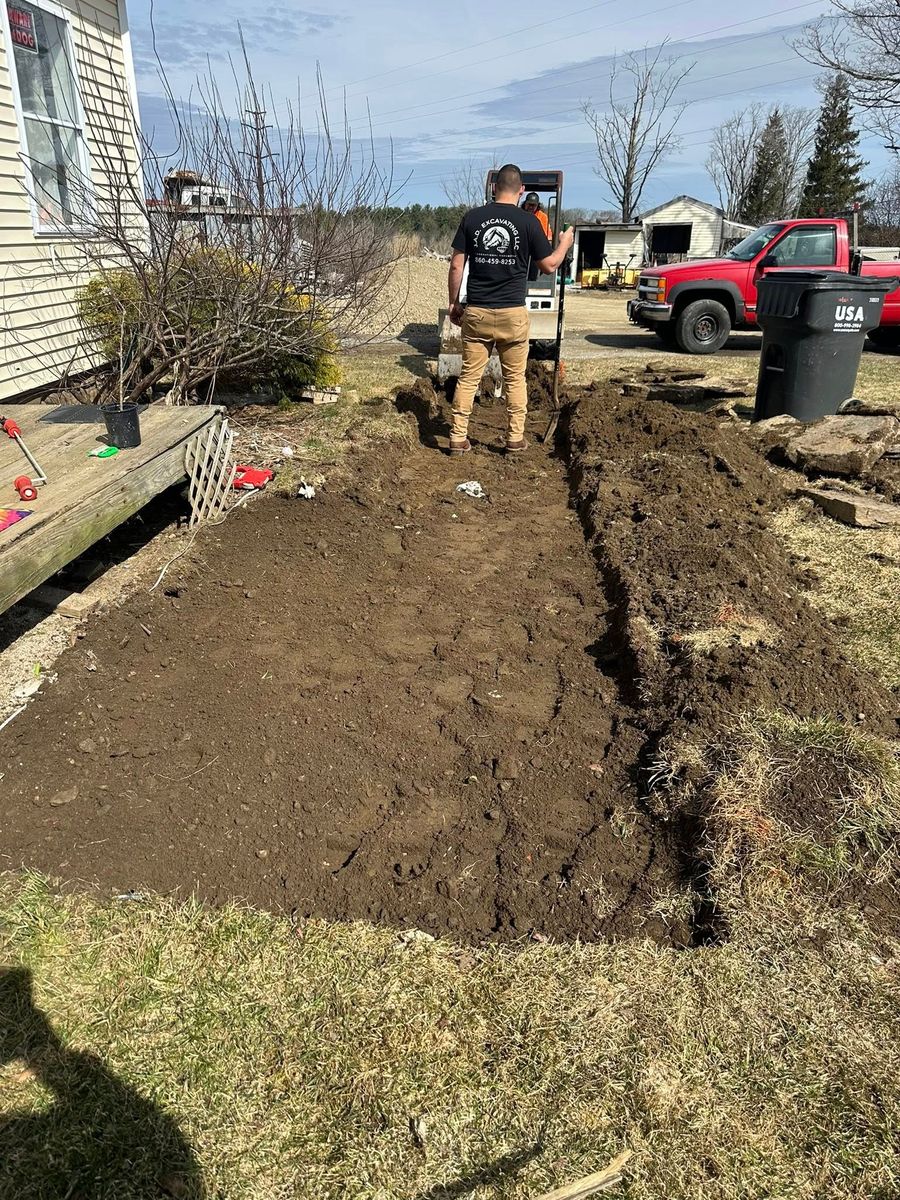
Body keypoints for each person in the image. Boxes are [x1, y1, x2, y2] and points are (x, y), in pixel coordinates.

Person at [447, 164, 574, 454]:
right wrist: (565, 243)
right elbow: (549, 265)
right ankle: (515, 438)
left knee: (469, 377)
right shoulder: (529, 222)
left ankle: (457, 437)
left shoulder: (472, 218)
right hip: (512, 315)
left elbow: (456, 265)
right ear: (521, 191)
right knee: (515, 378)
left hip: (477, 312)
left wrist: (454, 303)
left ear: (494, 188)